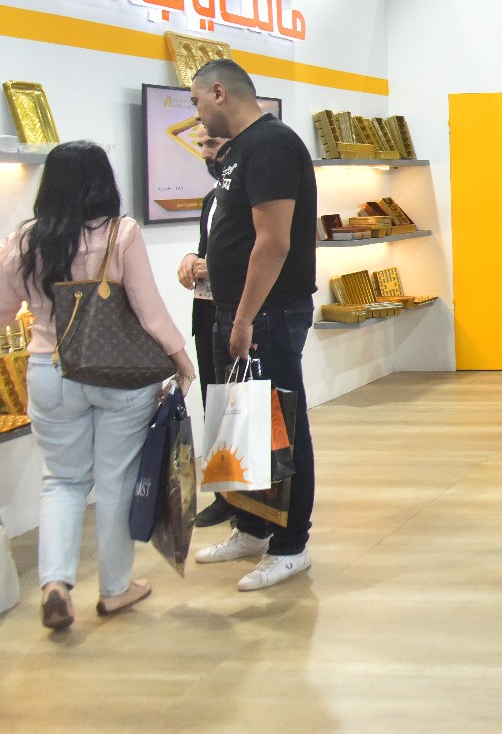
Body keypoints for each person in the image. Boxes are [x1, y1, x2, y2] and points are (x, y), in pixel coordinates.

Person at [0, 141, 196, 630]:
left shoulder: (24, 240)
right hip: (118, 375)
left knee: (61, 479)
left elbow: (2, 311)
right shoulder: (120, 233)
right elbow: (149, 311)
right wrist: (181, 359)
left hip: (49, 371)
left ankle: (55, 583)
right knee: (115, 481)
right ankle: (114, 589)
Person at [188, 59, 319, 591]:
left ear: (219, 92)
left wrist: (243, 317)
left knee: (282, 425)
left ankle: (291, 545)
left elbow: (273, 242)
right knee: (242, 423)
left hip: (269, 312)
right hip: (237, 309)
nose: (196, 113)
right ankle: (251, 527)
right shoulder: (240, 150)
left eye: (196, 101)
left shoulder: (271, 145)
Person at [176, 122, 234, 529]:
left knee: (243, 405)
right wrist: (190, 259)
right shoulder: (212, 198)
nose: (205, 153)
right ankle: (225, 494)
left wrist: (216, 266)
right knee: (214, 404)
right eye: (201, 145)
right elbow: (207, 250)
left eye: (211, 143)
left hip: (243, 314)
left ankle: (254, 498)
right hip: (208, 312)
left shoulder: (249, 197)